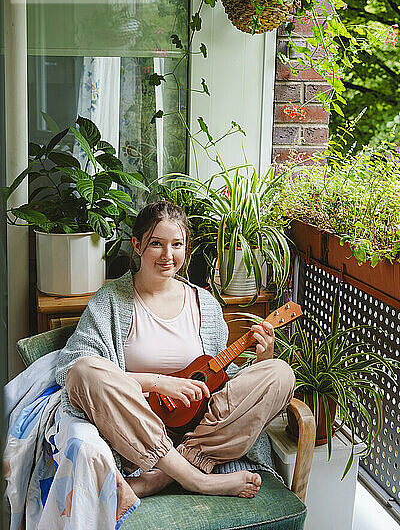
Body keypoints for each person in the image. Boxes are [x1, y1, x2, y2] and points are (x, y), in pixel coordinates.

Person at [55, 200, 296, 502]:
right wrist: (159, 382)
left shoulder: (205, 304)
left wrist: (264, 358)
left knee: (280, 373)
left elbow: (226, 383)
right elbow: (70, 369)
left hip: (202, 431)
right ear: (137, 245)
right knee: (83, 371)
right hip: (137, 431)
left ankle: (165, 474)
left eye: (177, 244)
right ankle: (196, 479)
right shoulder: (111, 301)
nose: (168, 255)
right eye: (156, 243)